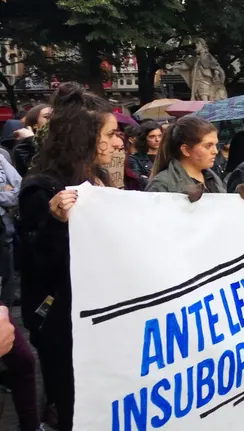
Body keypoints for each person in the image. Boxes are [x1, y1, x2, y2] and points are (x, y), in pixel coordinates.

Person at [18, 82, 123, 431]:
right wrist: (54, 222)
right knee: (71, 402)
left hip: (101, 314)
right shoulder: (41, 187)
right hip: (61, 322)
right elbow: (33, 263)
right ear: (85, 138)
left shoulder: (100, 180)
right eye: (109, 134)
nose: (116, 142)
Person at [146, 116, 225, 195]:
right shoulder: (161, 184)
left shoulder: (212, 178)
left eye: (215, 145)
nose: (215, 151)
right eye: (208, 146)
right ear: (186, 150)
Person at [0, 154, 21, 305]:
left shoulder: (0, 157)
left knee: (7, 270)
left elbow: (19, 190)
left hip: (3, 226)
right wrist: (3, 190)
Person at [128, 120, 162, 188]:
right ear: (144, 138)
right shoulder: (135, 159)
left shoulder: (167, 156)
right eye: (152, 136)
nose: (157, 139)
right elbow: (139, 181)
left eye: (160, 136)